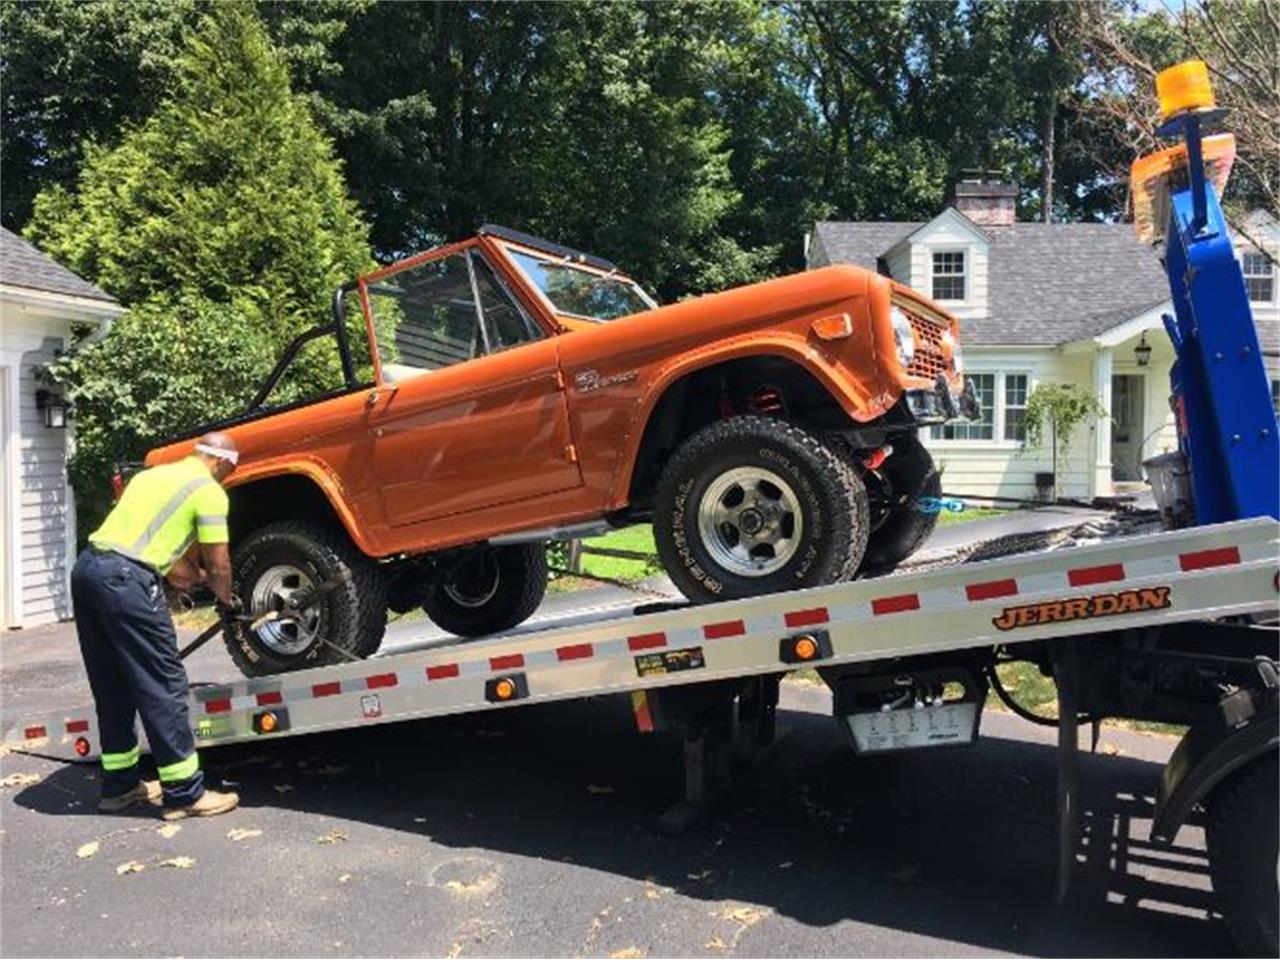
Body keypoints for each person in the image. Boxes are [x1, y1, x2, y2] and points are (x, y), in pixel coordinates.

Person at [72, 431, 243, 820]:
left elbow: (162, 556)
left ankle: (119, 787)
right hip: (126, 580)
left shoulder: (149, 477)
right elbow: (219, 563)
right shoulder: (209, 491)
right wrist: (226, 599)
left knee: (113, 683)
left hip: (88, 572)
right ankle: (184, 794)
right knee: (163, 684)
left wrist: (193, 576)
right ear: (223, 463)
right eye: (230, 471)